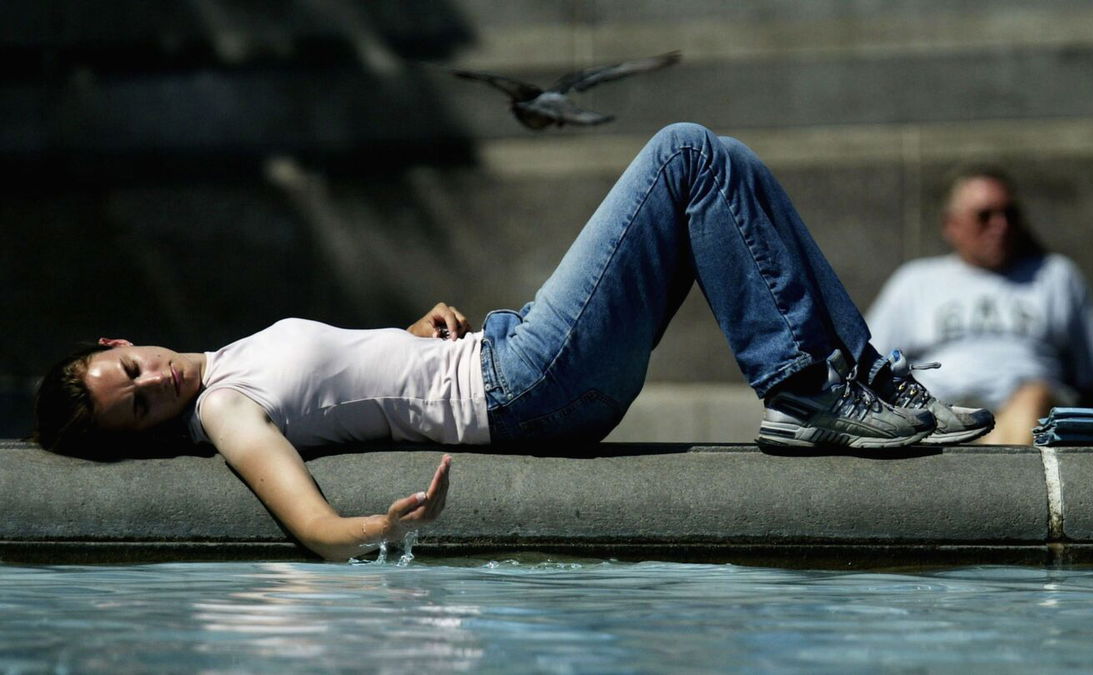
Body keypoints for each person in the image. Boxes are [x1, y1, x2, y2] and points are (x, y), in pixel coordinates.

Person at [34, 123, 992, 561]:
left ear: (119, 341)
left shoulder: (230, 359)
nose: (153, 380)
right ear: (155, 426)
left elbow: (346, 386)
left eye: (131, 370)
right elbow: (310, 523)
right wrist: (384, 526)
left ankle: (864, 382)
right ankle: (804, 389)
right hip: (524, 383)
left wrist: (407, 335)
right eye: (142, 404)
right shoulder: (223, 409)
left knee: (720, 169)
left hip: (508, 358)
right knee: (683, 154)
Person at [866, 166, 1093, 445]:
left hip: (1030, 411)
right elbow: (867, 365)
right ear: (951, 224)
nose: (1000, 225)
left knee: (1033, 398)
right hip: (939, 412)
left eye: (1010, 214)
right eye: (984, 216)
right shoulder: (915, 281)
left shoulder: (1055, 276)